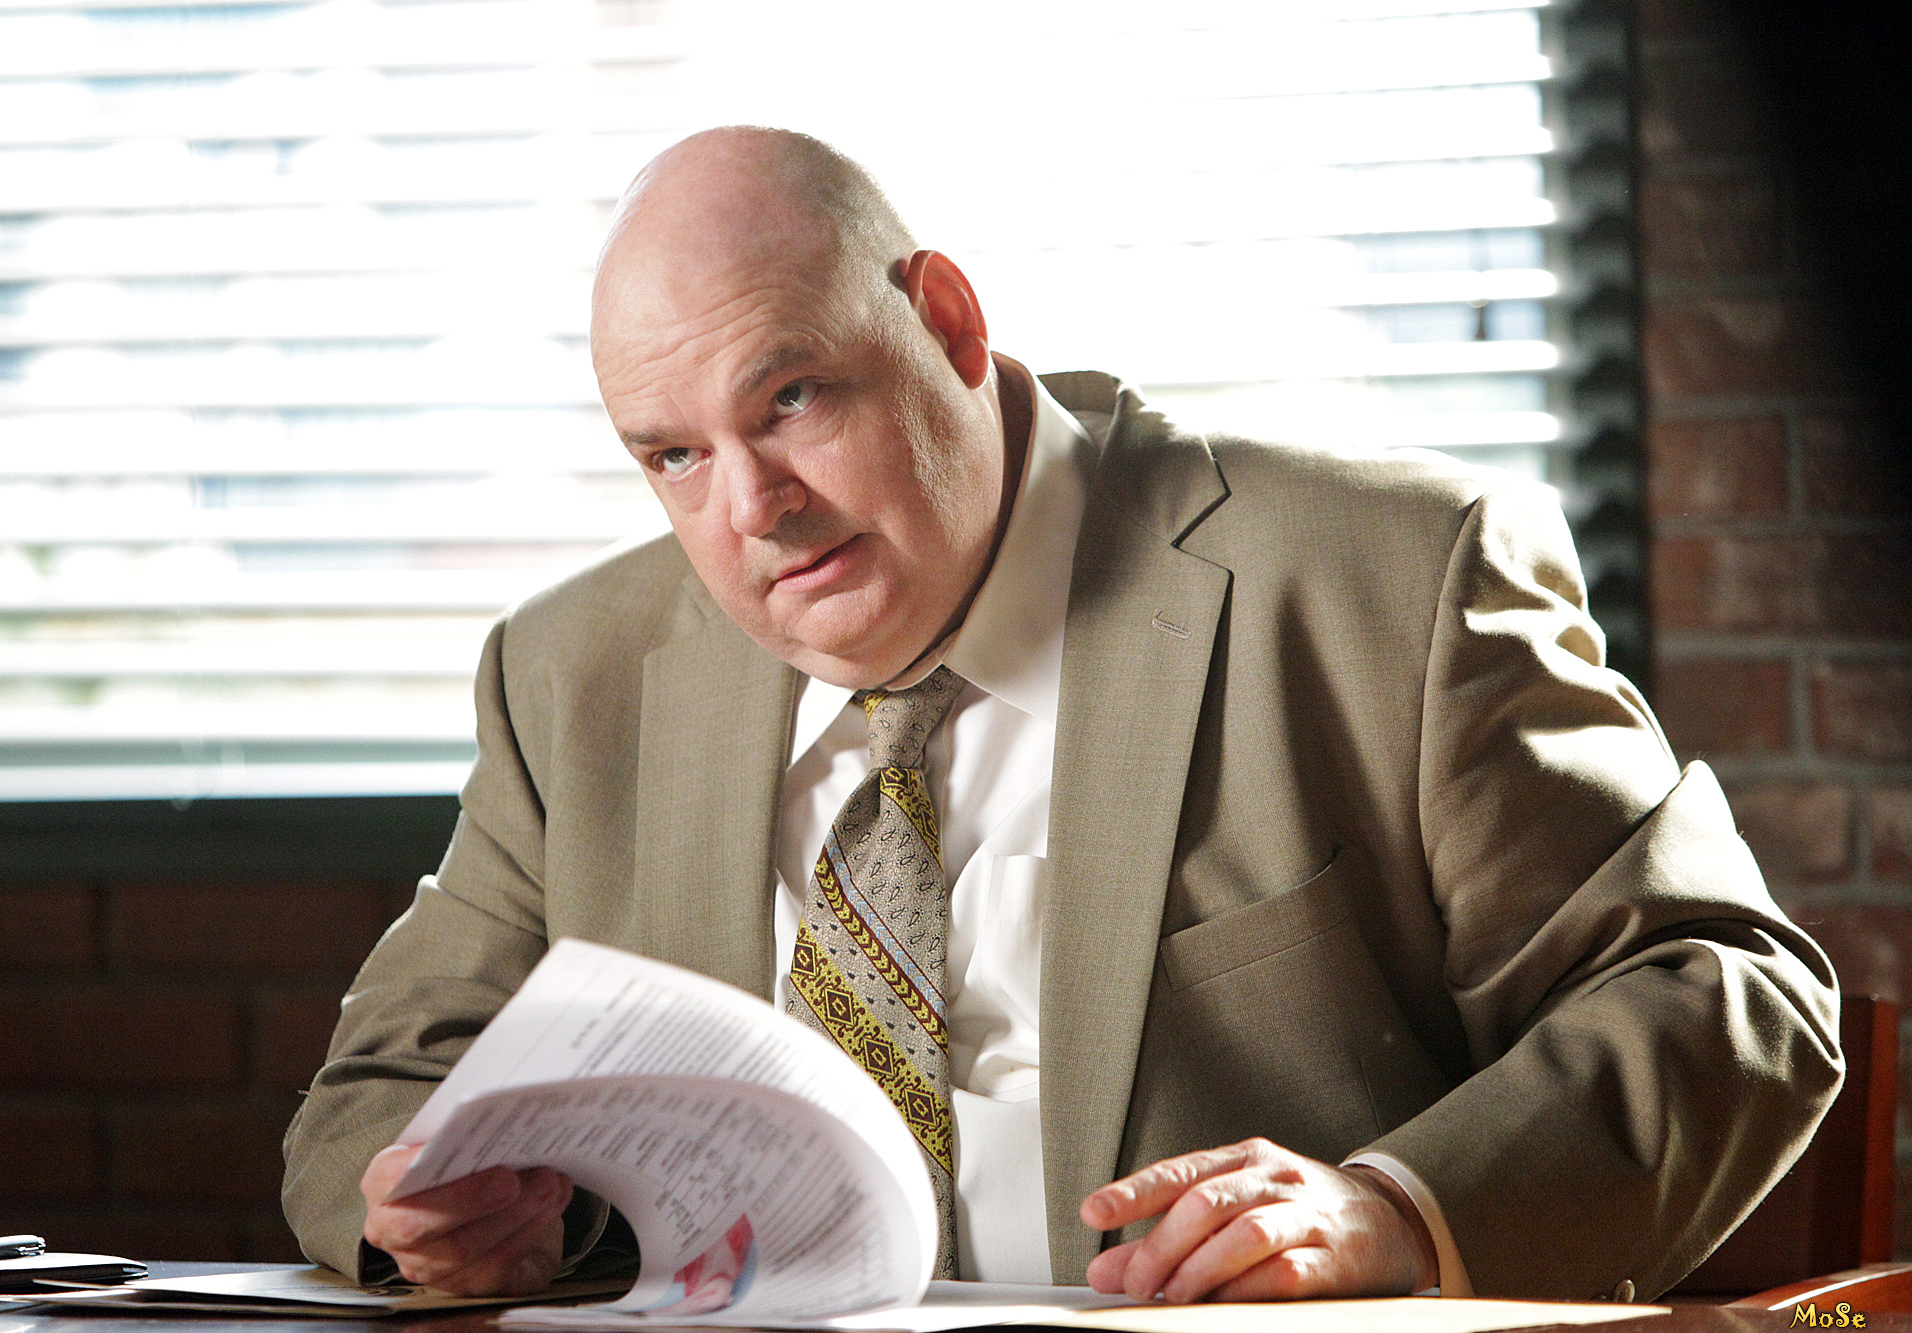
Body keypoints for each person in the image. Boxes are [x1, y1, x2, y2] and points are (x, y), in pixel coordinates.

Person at [281, 126, 1841, 1305]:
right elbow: (375, 1099)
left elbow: (1731, 995)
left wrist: (1390, 1205)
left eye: (791, 398)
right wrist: (430, 1210)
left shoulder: (1387, 580)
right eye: (674, 456)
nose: (751, 507)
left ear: (951, 325)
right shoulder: (576, 675)